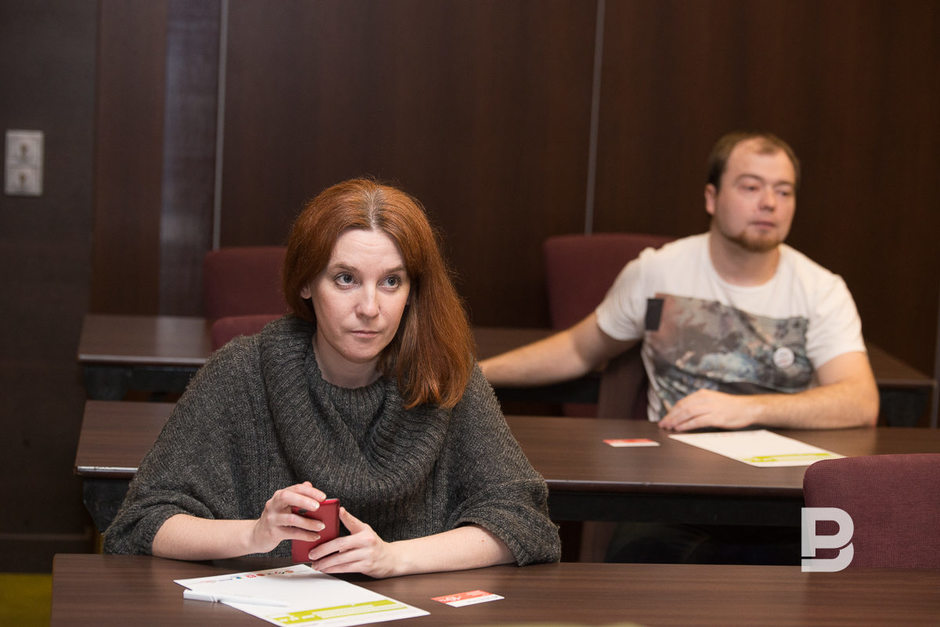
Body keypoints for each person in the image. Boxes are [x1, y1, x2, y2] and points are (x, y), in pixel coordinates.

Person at [104, 178, 561, 577]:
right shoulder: (241, 372)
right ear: (306, 283)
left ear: (413, 291)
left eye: (391, 281)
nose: (370, 308)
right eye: (345, 279)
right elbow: (141, 522)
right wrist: (254, 534)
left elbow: (526, 523)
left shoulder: (444, 374)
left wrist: (393, 558)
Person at [481, 131, 878, 432]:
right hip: (674, 473)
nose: (769, 203)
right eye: (751, 187)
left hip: (780, 481)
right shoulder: (658, 273)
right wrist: (475, 374)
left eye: (784, 191)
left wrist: (749, 408)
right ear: (711, 198)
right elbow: (577, 349)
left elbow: (860, 401)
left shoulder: (821, 289)